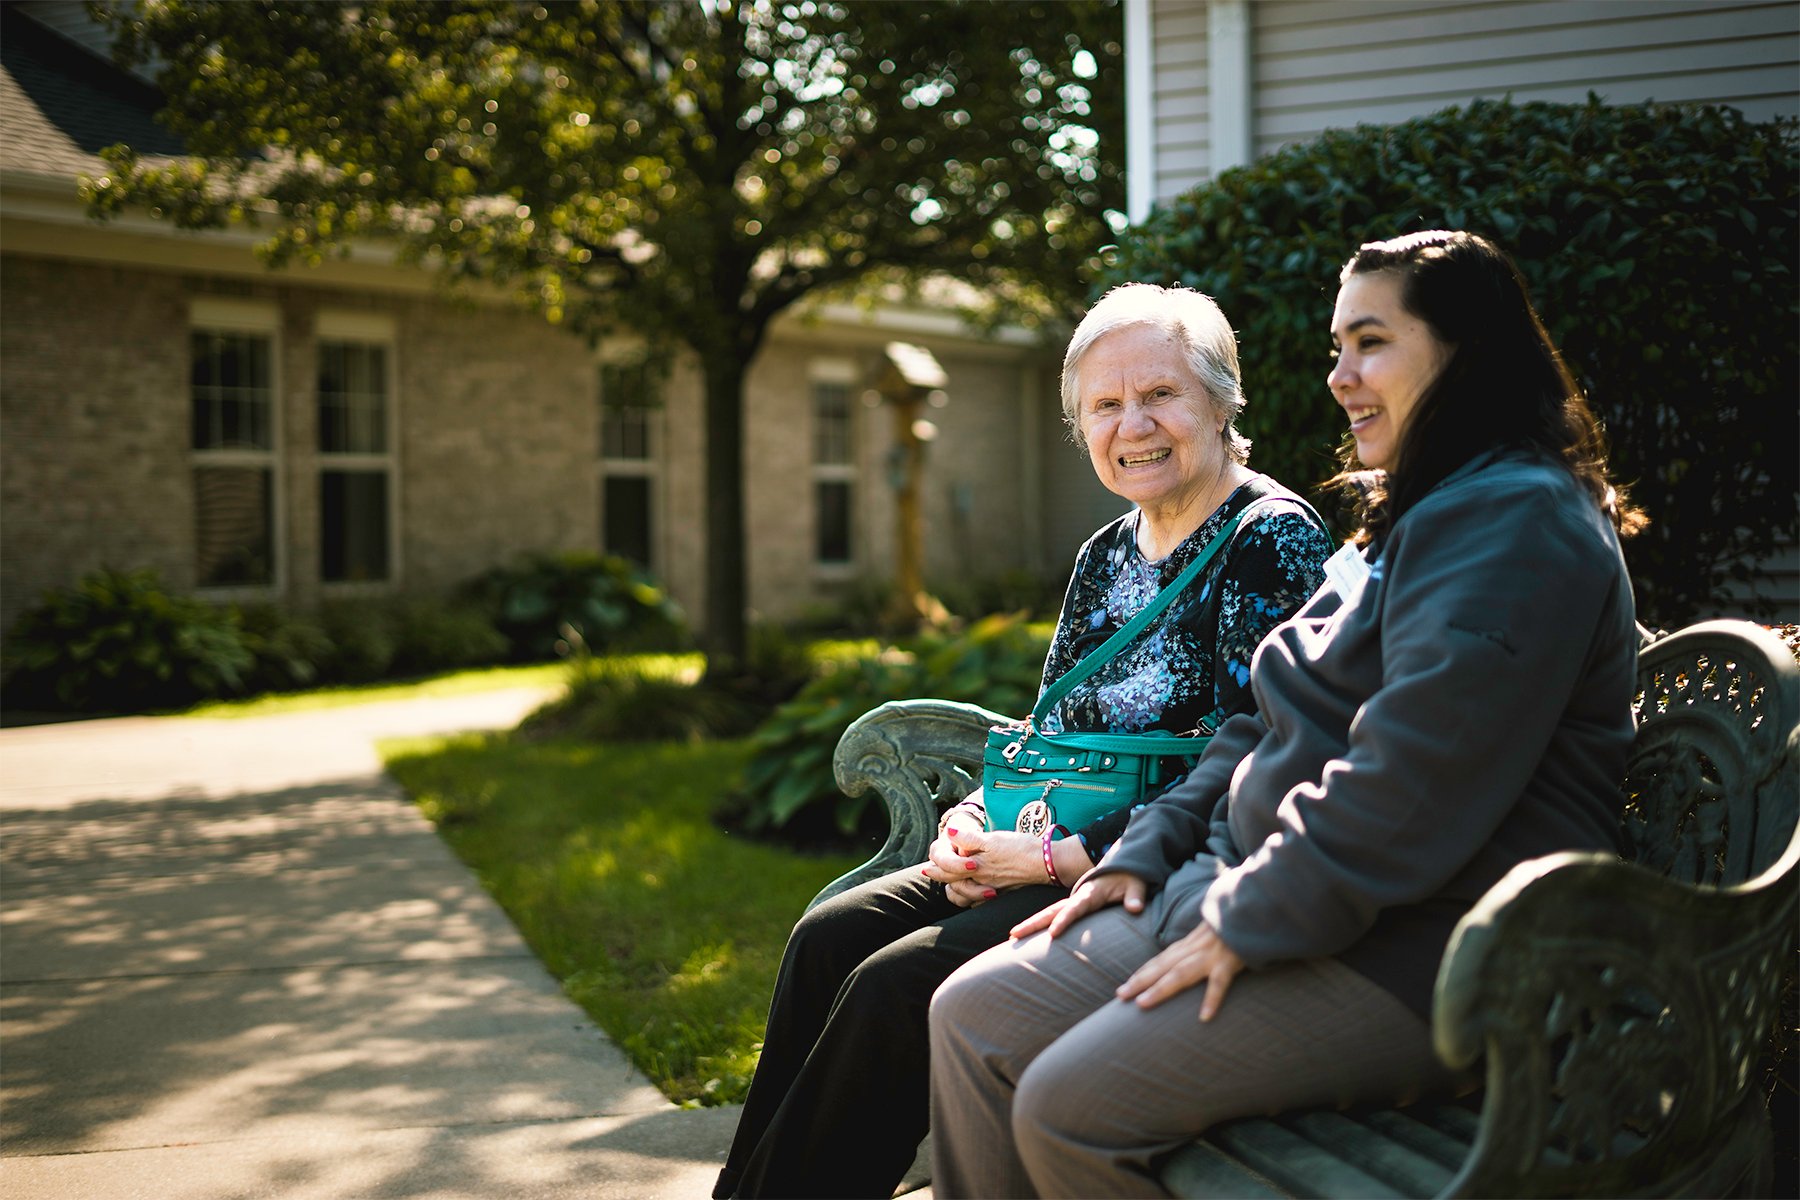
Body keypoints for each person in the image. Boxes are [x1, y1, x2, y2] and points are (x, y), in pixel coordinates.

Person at [927, 230, 1648, 1198]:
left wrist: (1246, 917)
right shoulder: (1416, 516)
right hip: (1261, 888)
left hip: (1425, 945)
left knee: (1069, 1105)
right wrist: (1146, 853)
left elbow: (1412, 779)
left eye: (1371, 343)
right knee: (974, 1014)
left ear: (1466, 351)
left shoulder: (1518, 521)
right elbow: (1268, 722)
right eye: (1337, 348)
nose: (1341, 376)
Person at [714, 284, 1335, 1199]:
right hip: (1037, 836)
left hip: (1162, 868)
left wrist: (1054, 858)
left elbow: (1254, 757)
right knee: (829, 935)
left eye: (1160, 394)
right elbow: (1048, 731)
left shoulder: (1270, 540)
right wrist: (971, 821)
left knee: (896, 987)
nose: (1135, 425)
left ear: (1222, 399)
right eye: (1105, 405)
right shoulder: (1105, 553)